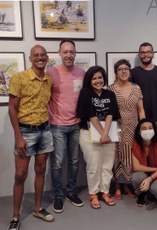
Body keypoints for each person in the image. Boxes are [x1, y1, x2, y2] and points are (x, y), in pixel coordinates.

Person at [8, 45, 54, 230]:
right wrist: (18, 137)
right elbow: (12, 108)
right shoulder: (19, 78)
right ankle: (15, 216)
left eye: (43, 55)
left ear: (47, 58)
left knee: (41, 170)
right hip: (25, 132)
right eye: (36, 55)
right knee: (20, 175)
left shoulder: (48, 80)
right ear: (30, 58)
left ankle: (37, 208)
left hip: (45, 131)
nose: (40, 58)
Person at [47, 39, 85, 213]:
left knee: (75, 161)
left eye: (72, 51)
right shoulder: (51, 73)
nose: (69, 55)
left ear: (75, 53)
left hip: (76, 124)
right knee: (57, 163)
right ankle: (58, 196)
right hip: (57, 125)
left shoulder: (82, 73)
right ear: (60, 53)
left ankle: (70, 192)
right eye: (65, 52)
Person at [77, 66, 121, 209]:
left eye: (100, 77)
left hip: (108, 134)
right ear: (89, 80)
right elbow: (91, 115)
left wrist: (105, 133)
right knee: (93, 166)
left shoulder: (109, 94)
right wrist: (102, 133)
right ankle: (94, 194)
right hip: (88, 133)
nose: (98, 81)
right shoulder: (85, 93)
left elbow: (111, 114)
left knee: (107, 165)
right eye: (94, 78)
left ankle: (105, 192)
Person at [108, 59, 145, 200]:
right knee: (117, 156)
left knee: (130, 156)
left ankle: (127, 185)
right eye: (120, 69)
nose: (124, 71)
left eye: (126, 69)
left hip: (133, 127)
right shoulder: (110, 89)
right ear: (116, 72)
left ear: (129, 71)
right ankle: (117, 185)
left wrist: (143, 126)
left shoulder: (136, 88)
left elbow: (141, 111)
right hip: (116, 127)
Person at [131, 42, 157, 141]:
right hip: (141, 118)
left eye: (148, 52)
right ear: (139, 54)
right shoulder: (133, 73)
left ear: (153, 54)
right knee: (143, 148)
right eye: (143, 52)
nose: (146, 55)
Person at [131, 119, 157, 207]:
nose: (147, 130)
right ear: (139, 132)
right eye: (144, 128)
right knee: (136, 177)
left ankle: (153, 193)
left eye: (150, 128)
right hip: (147, 172)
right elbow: (136, 167)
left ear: (154, 130)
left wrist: (150, 178)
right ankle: (142, 193)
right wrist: (156, 169)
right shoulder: (136, 144)